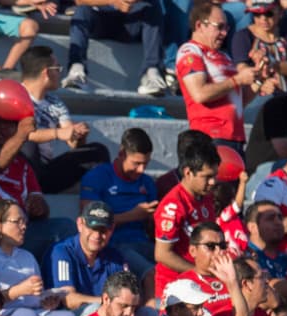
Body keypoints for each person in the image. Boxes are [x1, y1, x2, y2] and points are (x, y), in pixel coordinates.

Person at [19, 46, 109, 195]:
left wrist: (79, 135)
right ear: (46, 73)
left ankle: (98, 201)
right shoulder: (16, 96)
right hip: (20, 170)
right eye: (57, 69)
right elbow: (22, 134)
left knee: (98, 151)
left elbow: (72, 142)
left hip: (45, 173)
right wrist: (58, 133)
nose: (60, 74)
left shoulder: (55, 102)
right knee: (27, 144)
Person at [177, 3, 258, 153]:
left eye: (227, 28)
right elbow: (200, 94)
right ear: (200, 25)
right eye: (219, 27)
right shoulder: (190, 51)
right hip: (210, 137)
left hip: (235, 137)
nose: (225, 33)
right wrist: (238, 80)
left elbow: (239, 100)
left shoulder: (224, 56)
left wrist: (259, 80)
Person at [77, 131, 158, 276]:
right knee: (150, 272)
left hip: (144, 243)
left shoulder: (147, 182)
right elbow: (88, 219)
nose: (141, 170)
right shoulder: (98, 176)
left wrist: (154, 220)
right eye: (136, 163)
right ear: (122, 154)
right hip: (113, 245)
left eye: (146, 164)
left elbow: (153, 229)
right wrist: (133, 215)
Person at [153, 140, 221, 298]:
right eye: (207, 177)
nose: (213, 182)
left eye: (215, 176)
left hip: (202, 282)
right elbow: (162, 255)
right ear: (188, 172)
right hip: (176, 290)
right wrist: (199, 272)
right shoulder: (173, 206)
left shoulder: (206, 197)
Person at [60, 0, 167, 97]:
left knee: (153, 7)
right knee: (82, 10)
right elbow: (79, 1)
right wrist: (114, 1)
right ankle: (77, 70)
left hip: (132, 20)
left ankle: (152, 72)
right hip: (101, 19)